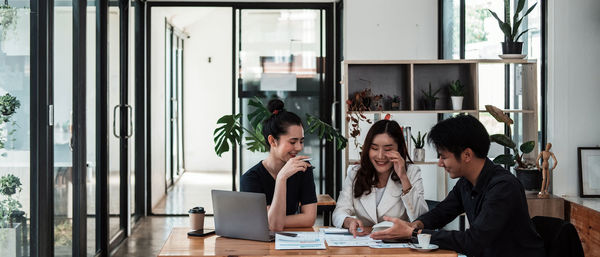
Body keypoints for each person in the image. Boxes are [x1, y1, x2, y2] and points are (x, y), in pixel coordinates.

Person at [370, 115, 545, 257]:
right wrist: (414, 225)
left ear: (467, 155)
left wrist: (412, 234)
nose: (440, 163)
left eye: (443, 157)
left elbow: (474, 241)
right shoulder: (466, 183)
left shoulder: (503, 187)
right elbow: (441, 213)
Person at [332, 119, 428, 237]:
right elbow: (339, 212)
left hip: (399, 245)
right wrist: (349, 221)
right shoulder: (355, 172)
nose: (380, 156)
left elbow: (421, 218)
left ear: (399, 149)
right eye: (374, 148)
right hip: (364, 244)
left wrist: (403, 178)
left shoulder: (411, 173)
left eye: (388, 149)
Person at [240, 99, 317, 232]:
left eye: (301, 141)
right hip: (258, 245)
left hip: (293, 242)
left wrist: (272, 219)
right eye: (292, 142)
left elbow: (309, 218)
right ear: (272, 141)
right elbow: (273, 226)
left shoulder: (303, 168)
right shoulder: (251, 179)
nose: (299, 147)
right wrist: (282, 178)